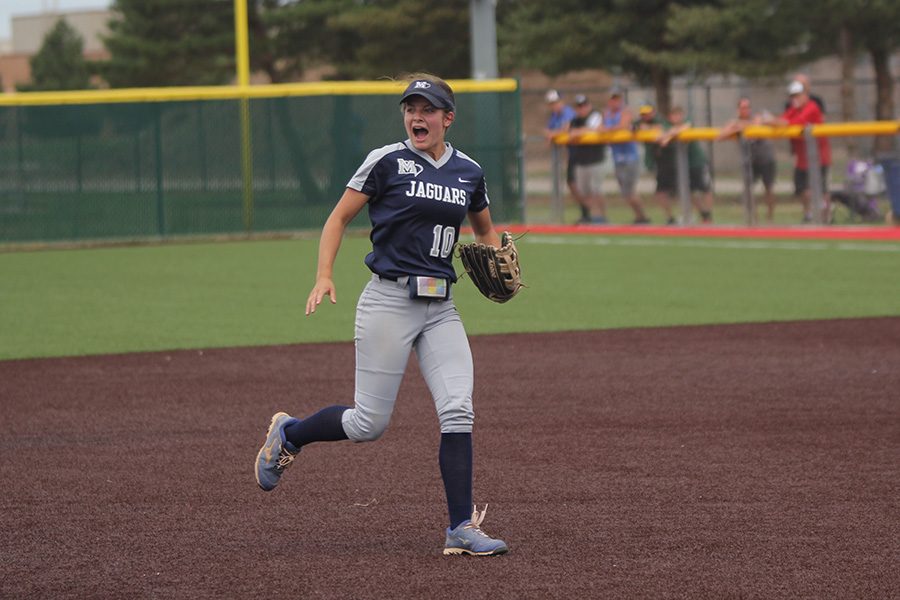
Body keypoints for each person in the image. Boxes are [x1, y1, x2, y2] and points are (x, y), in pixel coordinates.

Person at [254, 73, 509, 557]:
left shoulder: (469, 172)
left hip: (441, 307)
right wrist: (324, 274)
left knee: (458, 408)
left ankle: (459, 527)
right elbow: (338, 218)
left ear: (447, 118)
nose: (418, 116)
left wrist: (493, 256)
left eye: (428, 109)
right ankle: (290, 433)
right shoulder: (386, 161)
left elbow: (485, 230)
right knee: (368, 424)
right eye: (411, 108)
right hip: (388, 301)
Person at [768, 80, 831, 222]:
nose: (794, 99)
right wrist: (770, 120)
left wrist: (771, 121)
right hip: (803, 158)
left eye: (797, 95)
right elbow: (783, 119)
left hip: (818, 156)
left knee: (820, 188)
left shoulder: (812, 107)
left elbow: (791, 123)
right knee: (802, 187)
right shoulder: (794, 109)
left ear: (805, 95)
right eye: (792, 96)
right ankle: (809, 214)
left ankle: (825, 216)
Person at [718, 97, 778, 222]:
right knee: (748, 190)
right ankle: (753, 217)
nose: (745, 110)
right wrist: (736, 127)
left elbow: (769, 122)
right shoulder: (735, 122)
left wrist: (744, 125)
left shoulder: (758, 117)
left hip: (765, 158)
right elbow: (720, 136)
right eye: (742, 108)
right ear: (738, 109)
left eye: (747, 107)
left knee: (768, 188)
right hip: (749, 160)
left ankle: (769, 218)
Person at [656, 106, 714, 224]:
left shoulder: (687, 122)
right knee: (688, 192)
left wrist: (668, 135)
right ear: (670, 117)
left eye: (678, 115)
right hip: (683, 165)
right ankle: (703, 214)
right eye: (674, 115)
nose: (676, 118)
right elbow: (661, 136)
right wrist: (668, 134)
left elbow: (682, 128)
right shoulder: (667, 126)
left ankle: (708, 215)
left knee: (705, 189)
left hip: (696, 161)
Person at [601, 87, 650, 224]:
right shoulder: (606, 113)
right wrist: (606, 130)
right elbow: (600, 127)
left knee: (629, 191)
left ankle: (642, 216)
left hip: (630, 157)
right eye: (612, 100)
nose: (614, 103)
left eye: (617, 99)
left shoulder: (625, 112)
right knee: (625, 192)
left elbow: (622, 125)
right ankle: (639, 217)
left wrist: (608, 130)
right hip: (617, 157)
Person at [567, 94, 607, 223]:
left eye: (584, 105)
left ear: (589, 105)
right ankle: (591, 216)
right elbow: (568, 131)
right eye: (579, 106)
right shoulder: (575, 120)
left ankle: (601, 216)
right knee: (583, 192)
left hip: (595, 159)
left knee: (596, 190)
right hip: (581, 160)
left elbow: (594, 128)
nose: (581, 109)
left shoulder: (595, 115)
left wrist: (578, 132)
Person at [542, 89, 582, 221]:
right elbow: (548, 130)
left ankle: (589, 213)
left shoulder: (568, 112)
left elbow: (566, 129)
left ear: (561, 101)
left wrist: (552, 134)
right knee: (572, 183)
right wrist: (551, 134)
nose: (554, 106)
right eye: (551, 103)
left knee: (579, 184)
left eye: (556, 102)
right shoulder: (554, 116)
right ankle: (585, 213)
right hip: (571, 153)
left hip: (580, 151)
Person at [635, 103, 677, 225]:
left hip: (669, 159)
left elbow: (662, 130)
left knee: (668, 191)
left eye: (647, 113)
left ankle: (677, 217)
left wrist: (647, 129)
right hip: (659, 161)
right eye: (643, 114)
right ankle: (671, 217)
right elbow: (633, 127)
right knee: (662, 192)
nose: (645, 116)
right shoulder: (640, 122)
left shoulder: (659, 120)